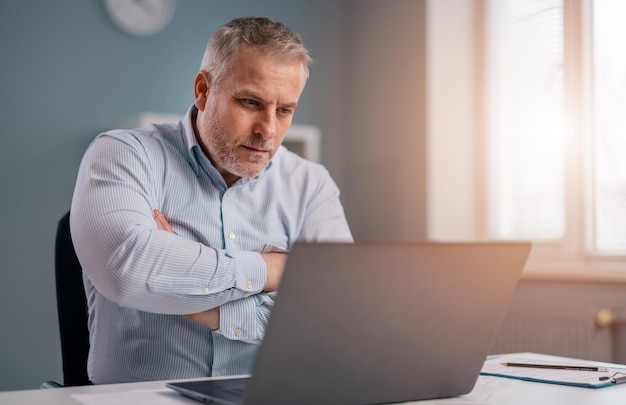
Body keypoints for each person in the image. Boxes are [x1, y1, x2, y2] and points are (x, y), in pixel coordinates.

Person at [70, 16, 352, 384]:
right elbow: (128, 270)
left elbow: (337, 316)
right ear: (203, 90)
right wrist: (274, 269)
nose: (268, 130)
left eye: (284, 111)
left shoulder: (311, 185)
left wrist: (202, 303)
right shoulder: (124, 154)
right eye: (251, 102)